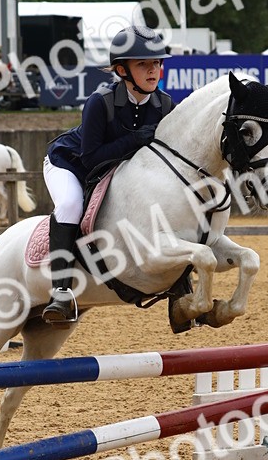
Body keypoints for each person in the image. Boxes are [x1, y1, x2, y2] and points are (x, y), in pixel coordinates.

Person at [41, 23, 172, 324]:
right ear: (122, 70)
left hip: (113, 170)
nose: (153, 70)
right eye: (144, 64)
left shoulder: (164, 105)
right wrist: (135, 139)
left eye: (157, 63)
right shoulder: (100, 103)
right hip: (70, 164)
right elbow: (91, 157)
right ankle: (60, 290)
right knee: (72, 204)